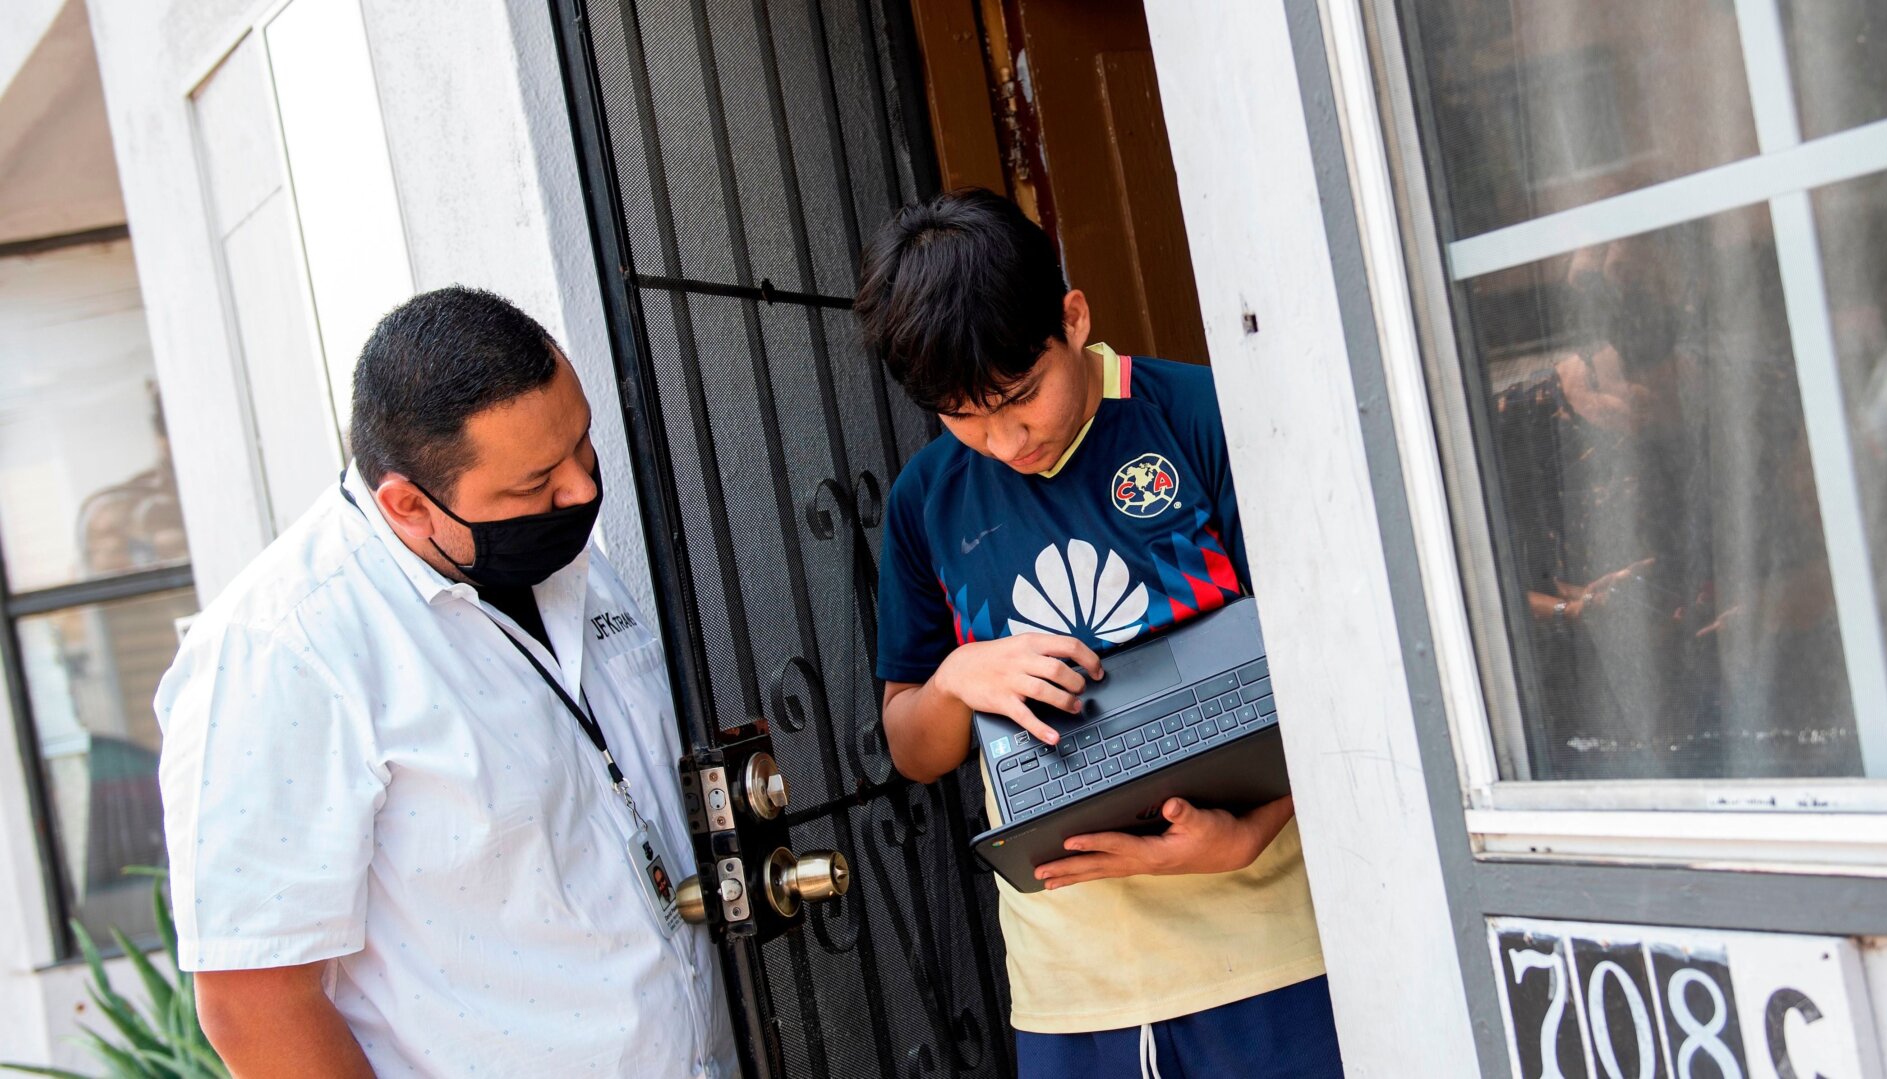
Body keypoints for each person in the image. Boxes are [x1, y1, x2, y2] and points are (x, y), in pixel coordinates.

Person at [153, 287, 734, 1077]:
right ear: (407, 505)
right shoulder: (281, 652)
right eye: (536, 482)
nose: (581, 490)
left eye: (582, 443)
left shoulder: (552, 552)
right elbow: (255, 1002)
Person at [854, 189, 1341, 1078]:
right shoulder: (927, 501)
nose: (1005, 439)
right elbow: (912, 746)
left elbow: (1340, 664)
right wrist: (957, 679)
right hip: (1071, 992)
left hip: (1272, 950)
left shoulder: (1199, 415)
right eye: (965, 415)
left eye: (1021, 396)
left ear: (1074, 318)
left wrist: (1254, 830)